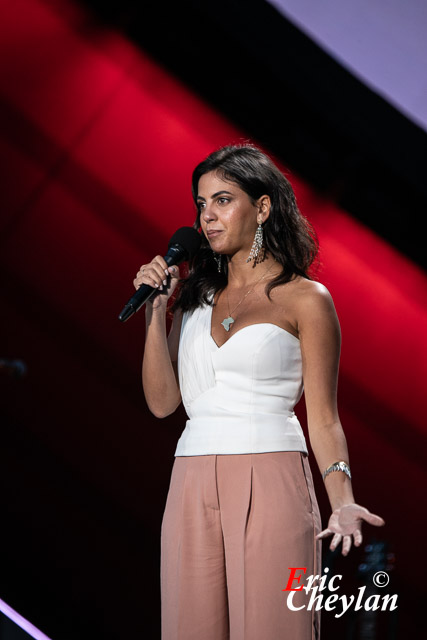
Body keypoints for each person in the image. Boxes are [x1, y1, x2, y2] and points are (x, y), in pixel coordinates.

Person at [134, 144, 385, 640]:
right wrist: (153, 313)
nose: (207, 217)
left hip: (270, 477)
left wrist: (343, 499)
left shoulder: (306, 299)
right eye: (201, 204)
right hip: (190, 478)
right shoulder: (194, 296)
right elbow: (164, 403)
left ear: (263, 207)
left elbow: (325, 418)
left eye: (223, 200)